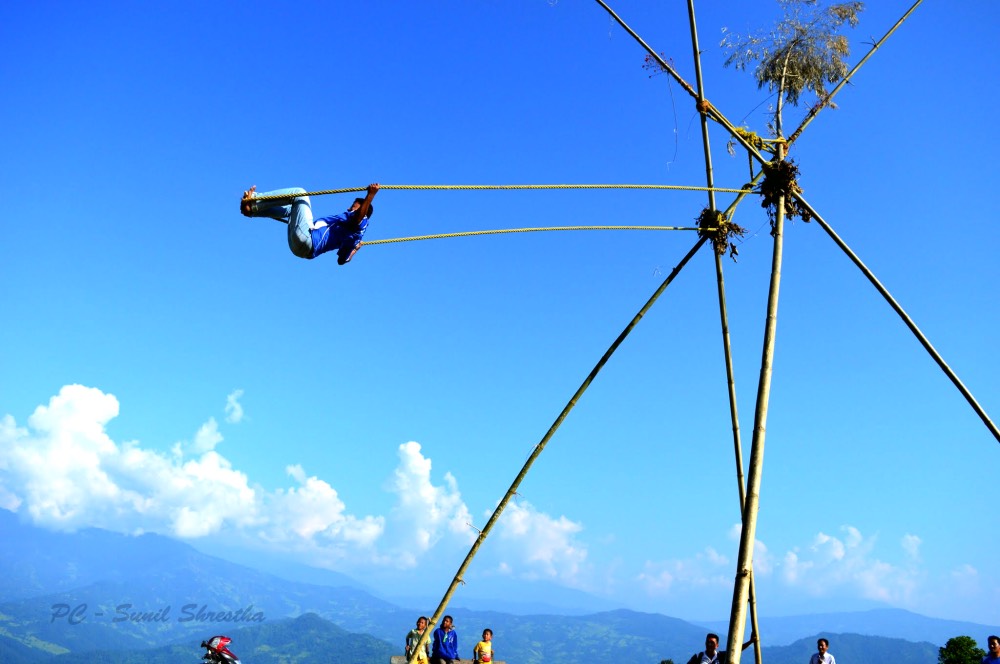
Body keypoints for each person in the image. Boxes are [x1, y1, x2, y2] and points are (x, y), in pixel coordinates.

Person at [240, 183, 380, 264]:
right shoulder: (355, 239)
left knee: (300, 194)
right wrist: (355, 250)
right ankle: (251, 210)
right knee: (291, 210)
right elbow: (342, 260)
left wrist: (371, 195)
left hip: (308, 240)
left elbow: (359, 217)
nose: (349, 209)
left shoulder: (361, 221)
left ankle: (255, 200)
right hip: (301, 250)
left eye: (353, 207)